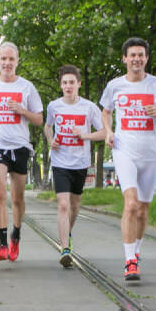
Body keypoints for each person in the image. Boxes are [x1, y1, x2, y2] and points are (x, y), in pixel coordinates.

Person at [100, 37, 156, 281]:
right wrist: (109, 131)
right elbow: (105, 111)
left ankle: (135, 253)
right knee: (131, 204)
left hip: (150, 153)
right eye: (132, 55)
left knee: (144, 210)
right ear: (125, 58)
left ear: (146, 58)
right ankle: (129, 261)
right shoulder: (115, 86)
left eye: (141, 55)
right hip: (124, 150)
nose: (137, 59)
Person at [0, 42, 43, 262]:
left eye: (11, 59)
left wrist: (21, 110)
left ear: (17, 61)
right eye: (3, 59)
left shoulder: (27, 87)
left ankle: (16, 235)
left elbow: (38, 119)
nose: (7, 63)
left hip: (20, 146)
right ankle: (1, 244)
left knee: (17, 198)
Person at [44, 64, 106, 267]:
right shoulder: (54, 106)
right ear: (61, 85)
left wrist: (84, 135)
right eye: (64, 83)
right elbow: (47, 126)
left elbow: (104, 132)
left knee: (75, 205)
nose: (68, 86)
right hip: (60, 162)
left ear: (78, 84)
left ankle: (67, 234)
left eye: (72, 82)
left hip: (80, 163)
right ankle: (65, 248)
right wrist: (50, 140)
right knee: (63, 204)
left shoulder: (89, 107)